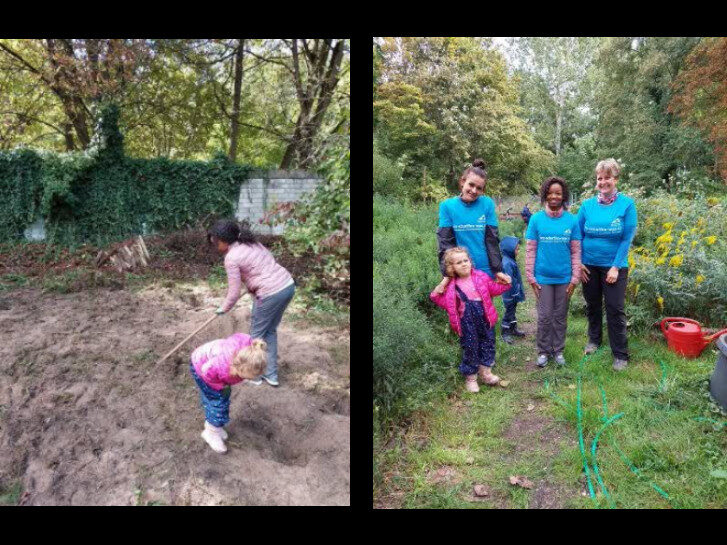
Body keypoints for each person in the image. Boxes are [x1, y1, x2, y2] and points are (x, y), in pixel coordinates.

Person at [207, 220, 295, 386]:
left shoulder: (231, 258)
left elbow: (233, 293)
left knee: (256, 335)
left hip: (270, 293)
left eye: (215, 241)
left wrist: (223, 308)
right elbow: (267, 261)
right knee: (269, 331)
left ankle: (255, 376)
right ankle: (271, 375)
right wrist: (254, 283)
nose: (214, 244)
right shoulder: (251, 243)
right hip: (287, 285)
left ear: (224, 240)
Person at [577, 159, 637, 371]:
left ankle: (620, 353)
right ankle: (594, 340)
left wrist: (615, 266)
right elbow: (578, 236)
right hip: (589, 265)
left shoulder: (627, 205)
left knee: (615, 308)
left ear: (616, 179)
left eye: (607, 178)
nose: (603, 182)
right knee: (592, 304)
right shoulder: (587, 206)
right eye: (599, 178)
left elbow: (626, 239)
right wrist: (579, 262)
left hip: (614, 266)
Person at [430, 247, 511, 393]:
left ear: (470, 261)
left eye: (465, 260)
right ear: (451, 267)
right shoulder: (451, 286)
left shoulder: (481, 276)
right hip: (466, 322)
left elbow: (494, 289)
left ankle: (485, 372)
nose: (463, 264)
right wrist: (440, 286)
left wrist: (505, 283)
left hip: (484, 318)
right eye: (458, 262)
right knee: (470, 348)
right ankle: (471, 378)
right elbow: (440, 299)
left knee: (488, 343)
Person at [526, 177, 582, 368]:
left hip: (565, 279)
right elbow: (530, 250)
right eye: (550, 193)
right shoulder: (536, 219)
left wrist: (575, 279)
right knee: (544, 316)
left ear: (563, 196)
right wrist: (531, 277)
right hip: (543, 278)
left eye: (558, 193)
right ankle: (543, 351)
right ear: (545, 195)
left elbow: (576, 252)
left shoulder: (572, 221)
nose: (554, 196)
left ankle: (558, 351)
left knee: (560, 316)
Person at [434, 159, 511, 295]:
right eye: (471, 185)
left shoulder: (487, 204)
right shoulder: (447, 206)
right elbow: (445, 243)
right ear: (462, 182)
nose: (474, 190)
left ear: (483, 190)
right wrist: (447, 275)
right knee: (462, 312)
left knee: (485, 312)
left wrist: (498, 270)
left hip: (484, 270)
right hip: (460, 271)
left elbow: (492, 240)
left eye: (479, 188)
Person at [190, 333, 267, 453]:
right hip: (201, 367)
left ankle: (216, 426)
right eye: (249, 376)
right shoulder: (222, 368)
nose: (251, 379)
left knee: (223, 398)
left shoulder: (249, 352)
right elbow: (206, 371)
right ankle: (210, 432)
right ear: (239, 369)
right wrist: (219, 387)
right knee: (217, 402)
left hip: (213, 365)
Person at [499, 236, 526, 344]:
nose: (518, 251)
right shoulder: (507, 263)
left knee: (513, 311)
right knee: (509, 313)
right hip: (510, 295)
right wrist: (514, 294)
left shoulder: (510, 260)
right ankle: (505, 332)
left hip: (513, 293)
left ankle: (513, 328)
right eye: (516, 249)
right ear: (509, 249)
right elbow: (509, 282)